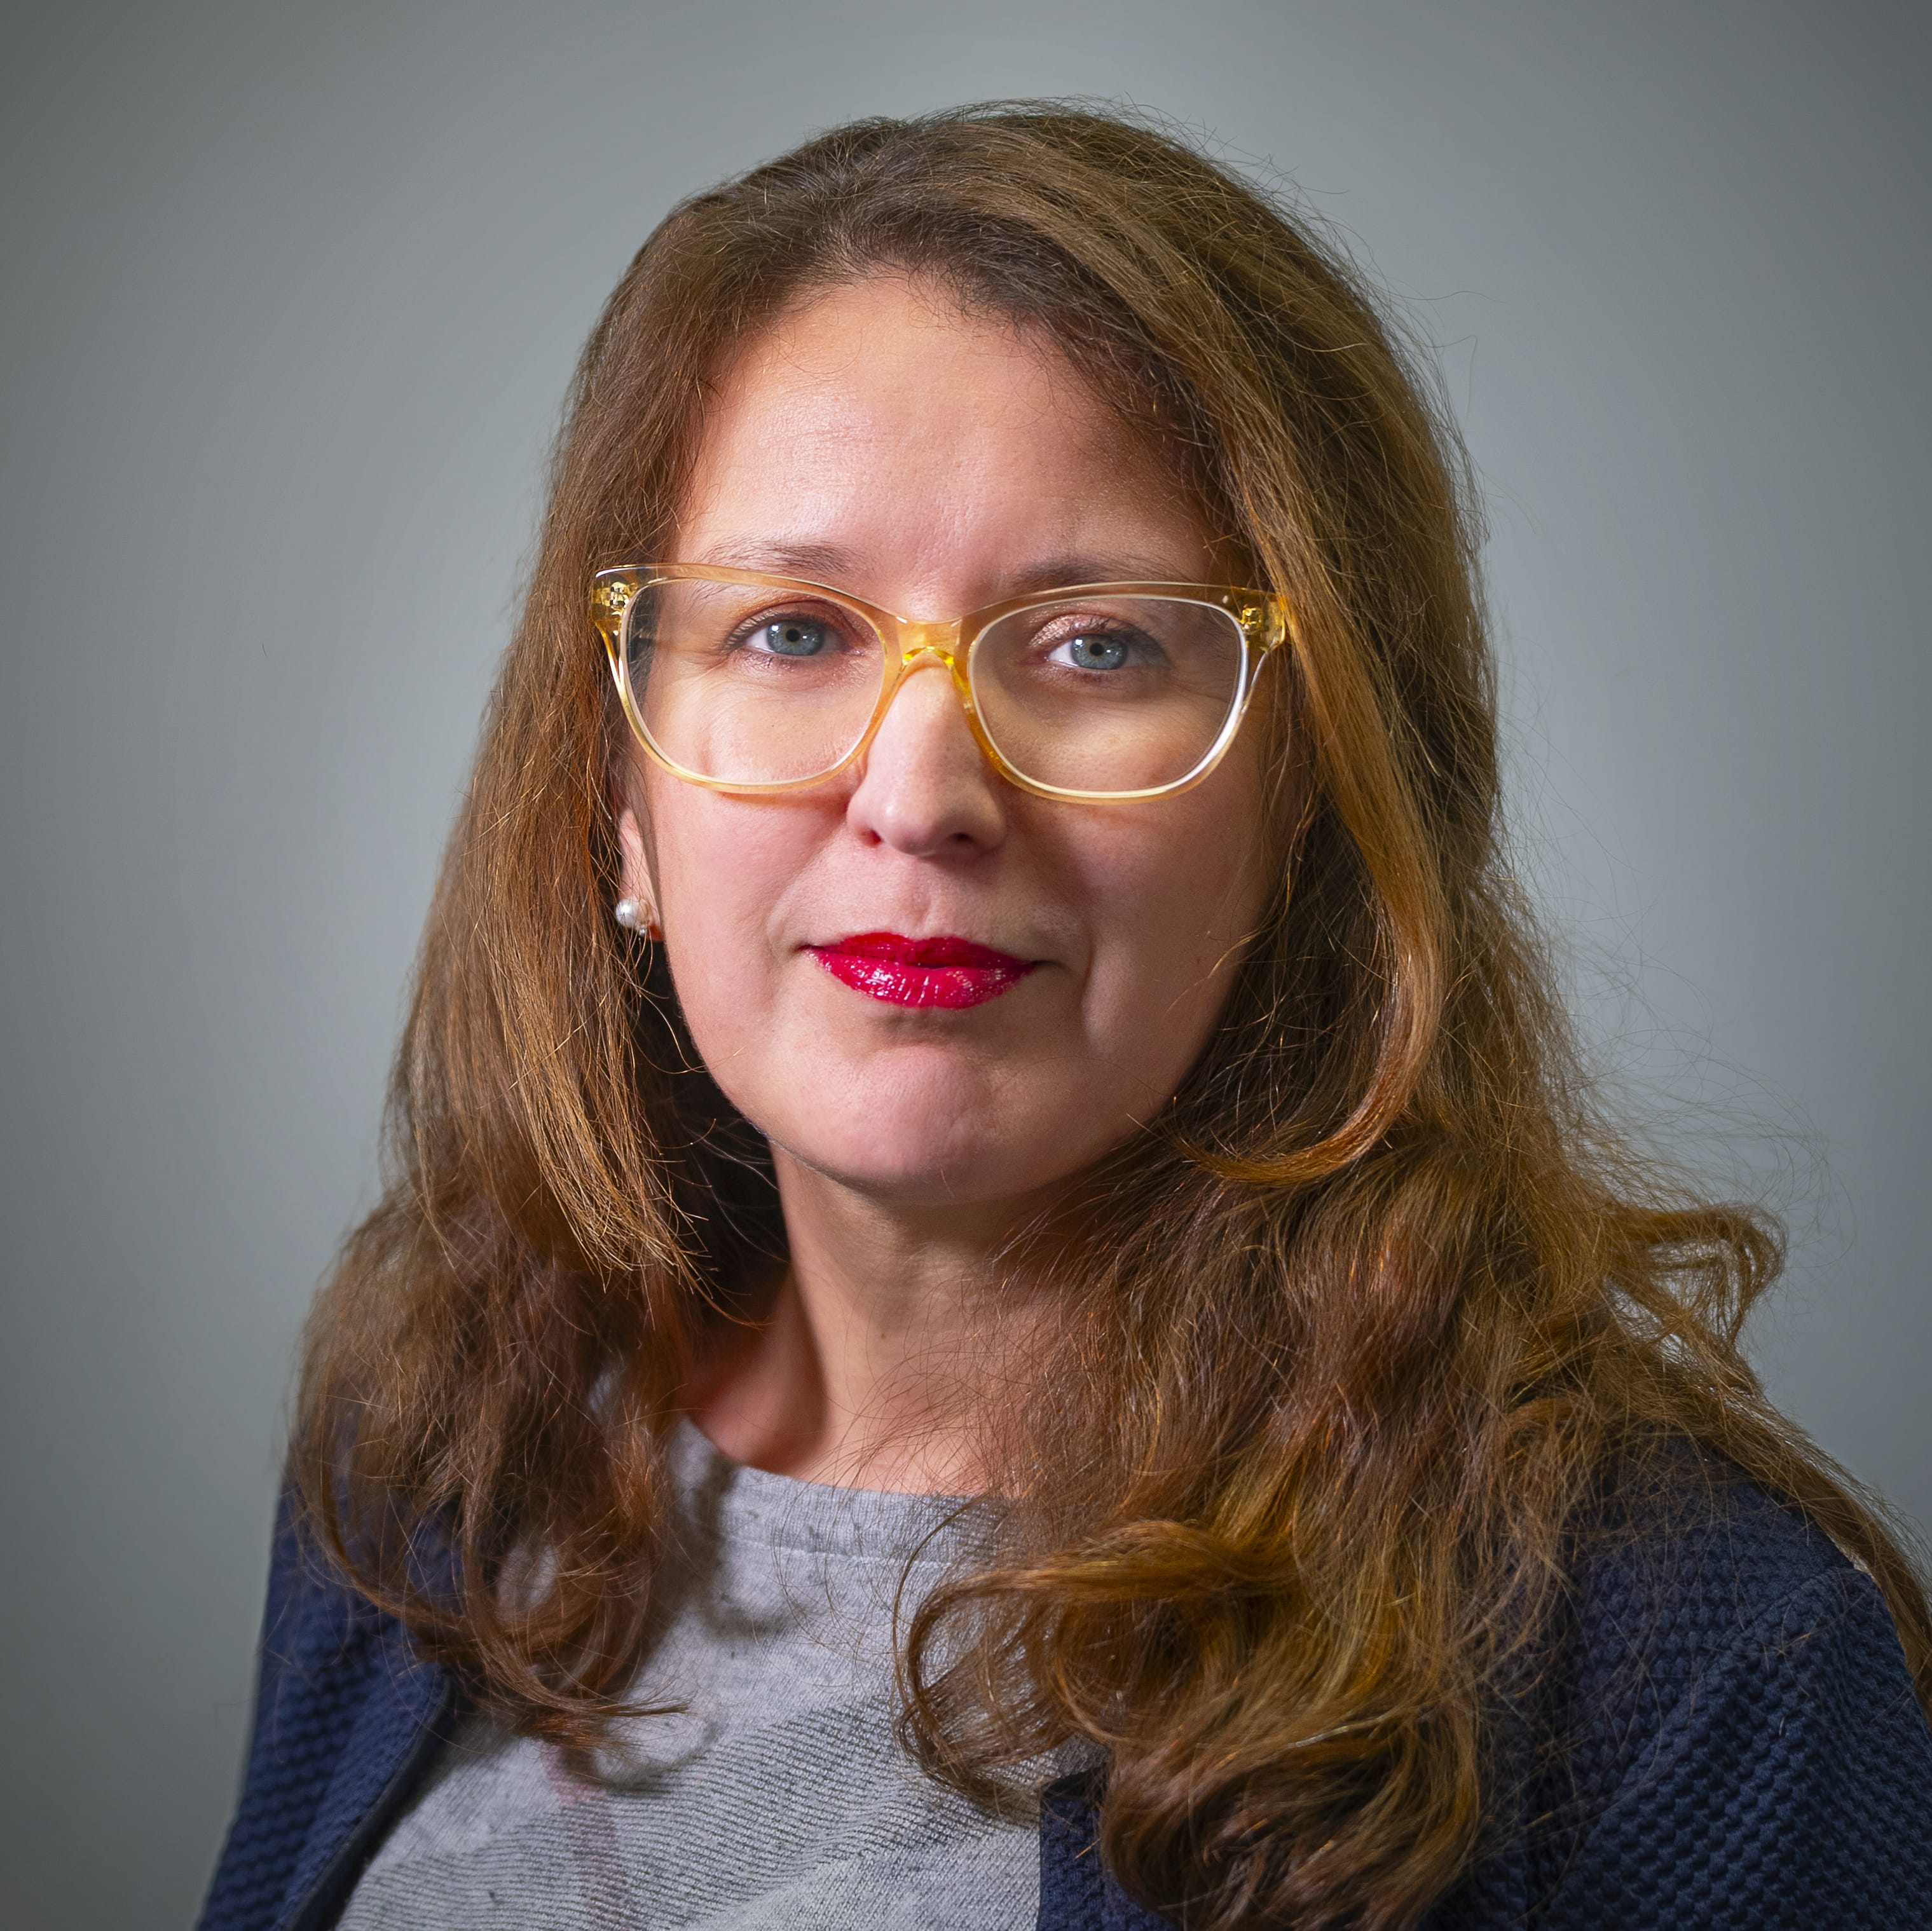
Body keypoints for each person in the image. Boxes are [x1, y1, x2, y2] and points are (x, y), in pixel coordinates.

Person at [198, 105, 1932, 1931]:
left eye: (1099, 643)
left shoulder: (1689, 1670)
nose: (921, 796)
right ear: (618, 795)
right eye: (791, 631)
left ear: (1313, 804)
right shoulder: (444, 1453)